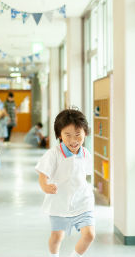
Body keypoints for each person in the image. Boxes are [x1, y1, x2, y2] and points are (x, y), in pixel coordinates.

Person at [35, 109, 95, 257]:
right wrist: (45, 186)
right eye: (67, 135)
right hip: (59, 202)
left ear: (85, 133)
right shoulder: (53, 154)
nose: (73, 140)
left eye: (77, 135)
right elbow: (43, 174)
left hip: (82, 201)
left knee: (89, 235)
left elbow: (84, 175)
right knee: (57, 237)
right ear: (59, 135)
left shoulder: (86, 154)